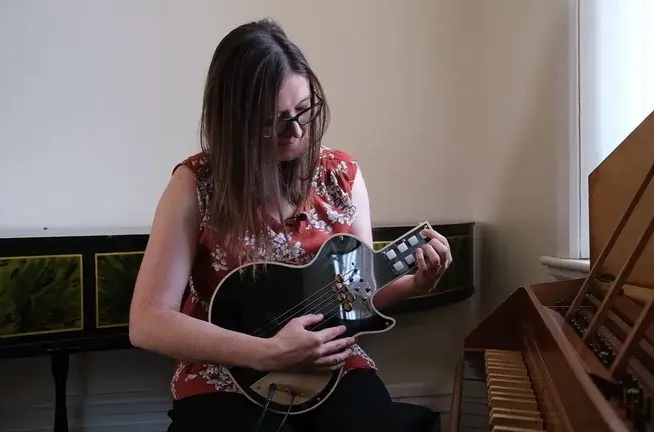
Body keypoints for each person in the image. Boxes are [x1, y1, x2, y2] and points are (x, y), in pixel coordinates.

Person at [128, 18, 453, 432]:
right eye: (273, 120)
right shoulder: (195, 185)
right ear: (234, 120)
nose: (296, 131)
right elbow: (148, 321)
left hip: (330, 363)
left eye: (303, 110)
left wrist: (417, 284)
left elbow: (359, 294)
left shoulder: (341, 176)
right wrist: (267, 353)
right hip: (225, 377)